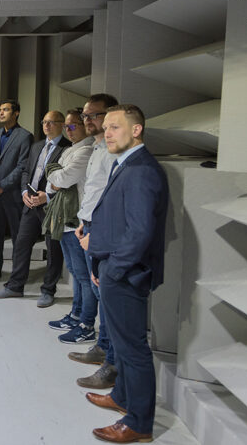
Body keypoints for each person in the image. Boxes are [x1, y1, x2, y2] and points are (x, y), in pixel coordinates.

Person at [83, 104, 168, 444]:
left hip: (126, 275)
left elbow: (140, 232)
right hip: (116, 269)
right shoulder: (127, 165)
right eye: (105, 127)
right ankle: (122, 396)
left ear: (136, 130)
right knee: (120, 345)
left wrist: (113, 271)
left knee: (133, 350)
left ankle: (139, 423)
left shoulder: (142, 170)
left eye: (115, 127)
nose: (107, 133)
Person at [67, 93, 120, 391]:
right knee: (99, 292)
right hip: (87, 225)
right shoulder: (97, 148)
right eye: (85, 116)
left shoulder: (113, 152)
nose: (87, 120)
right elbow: (92, 191)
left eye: (93, 115)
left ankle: (110, 361)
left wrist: (95, 230)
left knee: (107, 298)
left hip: (101, 230)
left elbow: (111, 199)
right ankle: (102, 347)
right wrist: (82, 221)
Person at [0, 110, 70, 303]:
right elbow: (26, 172)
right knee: (21, 245)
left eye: (51, 122)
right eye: (44, 121)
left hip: (51, 206)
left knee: (53, 250)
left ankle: (48, 291)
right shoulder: (37, 146)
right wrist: (24, 193)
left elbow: (68, 180)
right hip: (30, 204)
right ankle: (15, 286)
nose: (46, 125)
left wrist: (48, 197)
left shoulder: (67, 148)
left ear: (62, 125)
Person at [44, 109, 95, 342]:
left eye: (73, 125)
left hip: (77, 221)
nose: (69, 130)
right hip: (66, 220)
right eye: (66, 127)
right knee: (75, 272)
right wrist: (56, 176)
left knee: (84, 276)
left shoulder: (86, 150)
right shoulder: (69, 150)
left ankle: (86, 322)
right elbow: (52, 182)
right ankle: (76, 315)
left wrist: (56, 175)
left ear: (84, 126)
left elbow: (61, 178)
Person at [0, 99, 33, 281]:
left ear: (16, 113)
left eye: (6, 110)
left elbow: (22, 166)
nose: (1, 113)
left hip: (13, 195)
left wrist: (2, 186)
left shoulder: (25, 136)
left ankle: (18, 275)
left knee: (18, 236)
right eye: (0, 110)